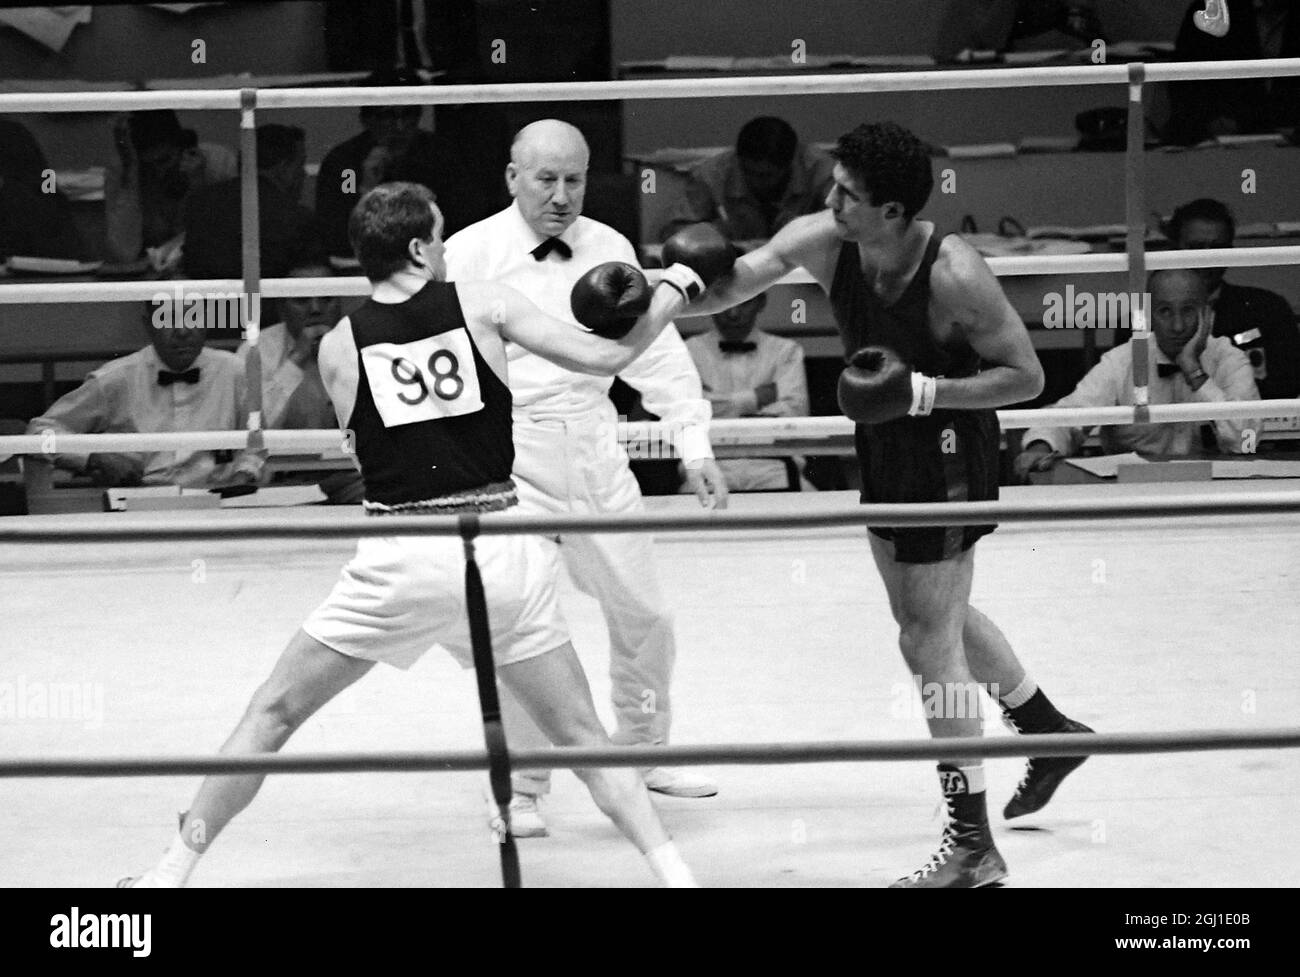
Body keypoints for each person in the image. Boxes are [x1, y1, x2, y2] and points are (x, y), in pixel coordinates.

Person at [120, 181, 723, 889]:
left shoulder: (337, 347)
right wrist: (677, 285)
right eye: (437, 237)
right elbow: (603, 358)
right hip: (499, 548)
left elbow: (364, 445)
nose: (445, 250)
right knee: (587, 739)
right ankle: (678, 877)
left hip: (399, 557)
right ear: (416, 246)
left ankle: (168, 873)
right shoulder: (486, 300)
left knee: (273, 711)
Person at [677, 121, 1093, 888]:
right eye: (833, 183)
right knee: (937, 611)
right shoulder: (825, 237)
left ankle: (972, 842)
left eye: (849, 194)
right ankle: (1046, 727)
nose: (829, 198)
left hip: (946, 451)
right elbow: (737, 280)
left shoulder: (955, 273)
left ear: (895, 212)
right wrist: (656, 295)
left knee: (923, 636)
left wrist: (926, 391)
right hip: (885, 443)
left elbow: (1027, 376)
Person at [445, 120, 729, 838]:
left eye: (575, 179)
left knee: (646, 614)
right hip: (508, 457)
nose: (562, 195)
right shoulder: (468, 252)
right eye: (546, 179)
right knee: (524, 623)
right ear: (512, 177)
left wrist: (692, 441)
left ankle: (642, 751)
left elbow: (651, 349)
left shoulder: (609, 245)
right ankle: (520, 787)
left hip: (597, 449)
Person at [1016, 269, 1261, 477]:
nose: (1178, 326)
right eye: (1165, 311)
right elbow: (1068, 416)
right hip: (1135, 495)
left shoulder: (1230, 360)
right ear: (1147, 315)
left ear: (1208, 314)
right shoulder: (1122, 361)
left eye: (1188, 310)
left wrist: (1195, 372)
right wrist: (1041, 446)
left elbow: (1247, 443)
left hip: (1217, 495)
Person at [18, 300, 263, 489]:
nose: (182, 331)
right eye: (167, 318)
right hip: (136, 500)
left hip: (218, 500)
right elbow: (40, 431)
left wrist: (244, 475)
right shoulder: (115, 378)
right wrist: (91, 457)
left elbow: (256, 441)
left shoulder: (235, 372)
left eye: (193, 317)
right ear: (148, 326)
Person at [1165, 197, 1300, 400]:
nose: (1207, 257)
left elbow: (1286, 387)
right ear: (1174, 250)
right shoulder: (1142, 317)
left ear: (1231, 250)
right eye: (1196, 247)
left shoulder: (1268, 309)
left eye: (1217, 247)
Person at [315, 67, 457, 258]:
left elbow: (464, 219)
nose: (400, 127)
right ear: (366, 119)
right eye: (387, 116)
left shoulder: (440, 154)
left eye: (409, 114)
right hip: (365, 265)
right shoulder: (345, 165)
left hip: (430, 260)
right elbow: (336, 235)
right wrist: (366, 187)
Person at [683, 291, 815, 491]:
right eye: (724, 302)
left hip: (776, 466)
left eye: (743, 303)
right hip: (708, 464)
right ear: (709, 303)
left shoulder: (786, 350)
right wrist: (757, 399)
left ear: (760, 302)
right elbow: (686, 414)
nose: (733, 313)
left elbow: (793, 412)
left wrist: (714, 405)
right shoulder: (688, 350)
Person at [660, 116, 836, 245]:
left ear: (790, 164)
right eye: (747, 172)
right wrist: (716, 233)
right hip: (732, 268)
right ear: (738, 159)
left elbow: (844, 228)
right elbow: (673, 235)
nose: (756, 181)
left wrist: (808, 230)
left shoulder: (825, 172)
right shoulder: (711, 175)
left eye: (765, 175)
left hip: (807, 270)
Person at [183, 124, 321, 281]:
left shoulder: (199, 202)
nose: (303, 174)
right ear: (284, 168)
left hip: (207, 303)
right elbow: (308, 280)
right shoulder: (298, 219)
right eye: (299, 166)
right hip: (266, 303)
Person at [104, 110, 237, 267]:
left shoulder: (218, 162)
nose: (160, 171)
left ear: (184, 148)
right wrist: (130, 175)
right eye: (148, 165)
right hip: (152, 273)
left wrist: (197, 187)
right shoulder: (127, 171)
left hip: (207, 271)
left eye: (165, 160)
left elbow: (225, 241)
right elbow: (124, 252)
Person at [1166, 0, 1300, 145]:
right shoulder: (1211, 9)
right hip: (1214, 141)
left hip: (1290, 141)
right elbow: (1183, 82)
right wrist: (1209, 120)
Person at [235, 258, 340, 431]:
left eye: (326, 298)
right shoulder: (255, 350)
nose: (316, 308)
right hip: (281, 457)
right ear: (281, 309)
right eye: (302, 300)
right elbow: (253, 430)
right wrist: (296, 360)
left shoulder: (364, 341)